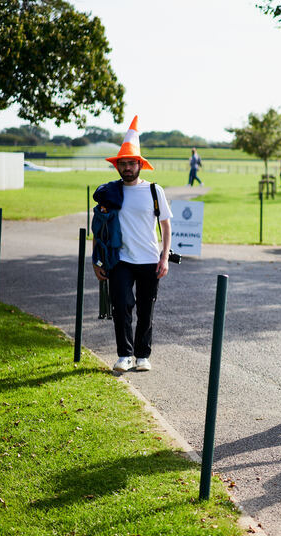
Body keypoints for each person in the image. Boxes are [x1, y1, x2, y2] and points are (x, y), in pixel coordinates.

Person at [93, 116, 172, 373]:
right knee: (122, 306)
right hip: (121, 260)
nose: (126, 167)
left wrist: (164, 258)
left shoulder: (154, 191)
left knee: (146, 309)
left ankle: (142, 356)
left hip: (149, 259)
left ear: (140, 164)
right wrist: (97, 260)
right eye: (122, 163)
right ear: (118, 166)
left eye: (131, 163)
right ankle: (125, 354)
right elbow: (100, 228)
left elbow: (166, 226)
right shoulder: (110, 193)